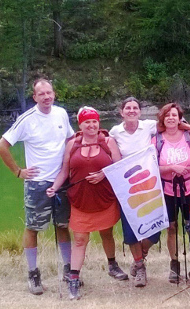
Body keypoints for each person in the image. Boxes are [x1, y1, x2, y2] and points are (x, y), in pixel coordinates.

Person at [109, 97, 190, 287]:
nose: (132, 111)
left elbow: (174, 123)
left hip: (150, 185)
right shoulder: (115, 132)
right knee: (134, 229)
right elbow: (104, 142)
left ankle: (143, 256)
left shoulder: (149, 127)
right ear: (121, 111)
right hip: (129, 186)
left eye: (135, 107)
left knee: (154, 230)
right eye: (128, 108)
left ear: (140, 112)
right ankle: (140, 265)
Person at [0, 78, 74, 295]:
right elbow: (1, 146)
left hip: (61, 181)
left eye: (49, 93)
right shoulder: (27, 119)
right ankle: (33, 274)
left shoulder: (61, 114)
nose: (47, 97)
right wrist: (18, 171)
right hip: (37, 183)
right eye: (42, 94)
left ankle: (69, 271)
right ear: (35, 97)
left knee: (63, 225)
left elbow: (70, 139)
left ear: (54, 94)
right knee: (33, 228)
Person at [47, 107, 127, 300]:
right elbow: (65, 171)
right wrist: (54, 187)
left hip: (104, 197)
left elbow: (120, 167)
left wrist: (103, 174)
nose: (91, 125)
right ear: (80, 125)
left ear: (98, 122)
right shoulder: (72, 144)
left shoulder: (108, 142)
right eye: (87, 122)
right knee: (80, 239)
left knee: (106, 232)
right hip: (80, 199)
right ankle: (74, 279)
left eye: (94, 121)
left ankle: (112, 265)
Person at [152, 102, 190, 283]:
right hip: (167, 190)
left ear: (179, 118)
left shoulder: (189, 137)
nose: (171, 118)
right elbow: (153, 168)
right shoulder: (156, 140)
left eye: (174, 115)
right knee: (171, 227)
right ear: (162, 119)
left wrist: (185, 170)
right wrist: (171, 168)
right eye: (167, 115)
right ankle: (174, 264)